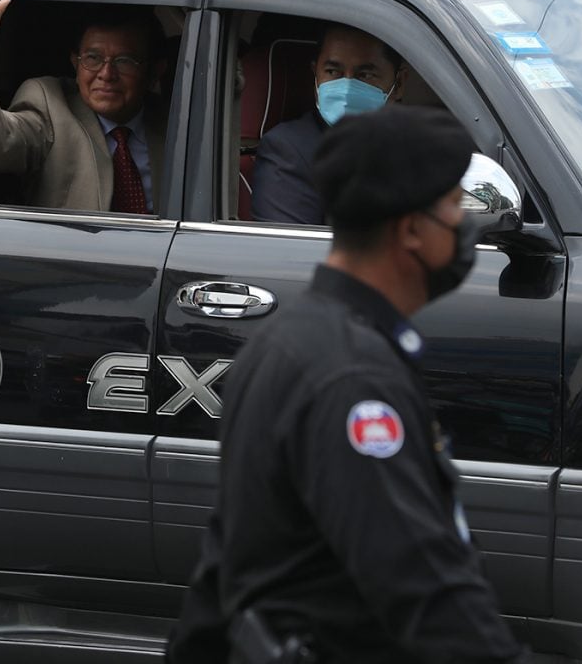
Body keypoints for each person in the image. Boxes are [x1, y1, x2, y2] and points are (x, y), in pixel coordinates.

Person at [168, 106, 529, 664]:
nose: (464, 227)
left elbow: (231, 564)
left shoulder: (290, 339)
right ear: (411, 230)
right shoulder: (351, 378)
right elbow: (422, 589)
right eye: (455, 208)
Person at [0, 0, 168, 213]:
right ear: (75, 62)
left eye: (124, 61)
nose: (106, 73)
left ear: (154, 71)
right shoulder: (50, 102)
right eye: (93, 58)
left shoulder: (174, 121)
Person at [251, 23, 407, 225]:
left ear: (399, 84)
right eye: (333, 72)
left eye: (365, 75)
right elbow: (289, 252)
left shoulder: (413, 145)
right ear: (315, 75)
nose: (347, 88)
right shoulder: (289, 151)